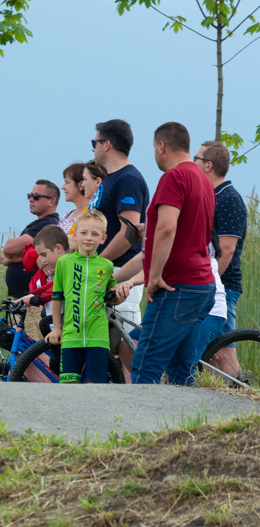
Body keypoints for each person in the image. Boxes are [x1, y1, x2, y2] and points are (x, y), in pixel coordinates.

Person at [131, 122, 216, 385]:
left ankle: (139, 426)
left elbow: (167, 228)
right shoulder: (203, 180)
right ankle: (188, 426)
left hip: (177, 286)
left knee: (146, 365)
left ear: (161, 145)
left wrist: (153, 276)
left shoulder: (174, 177)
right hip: (202, 284)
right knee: (181, 369)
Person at [45, 210, 118, 383]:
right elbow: (57, 297)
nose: (88, 238)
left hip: (98, 337)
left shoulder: (107, 266)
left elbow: (113, 294)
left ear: (103, 239)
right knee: (69, 386)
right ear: (75, 234)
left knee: (94, 388)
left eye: (95, 234)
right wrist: (56, 328)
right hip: (71, 336)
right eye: (83, 233)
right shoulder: (65, 262)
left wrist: (119, 294)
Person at [90, 119, 150, 326]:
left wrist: (96, 263)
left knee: (123, 346)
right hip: (105, 268)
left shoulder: (128, 179)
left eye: (94, 142)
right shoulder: (110, 179)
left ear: (107, 144)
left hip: (119, 271)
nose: (92, 148)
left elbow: (129, 233)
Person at [195, 140, 247, 336]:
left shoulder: (229, 199)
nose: (193, 164)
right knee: (219, 353)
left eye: (196, 159)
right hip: (212, 284)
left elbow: (226, 250)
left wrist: (209, 286)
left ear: (208, 165)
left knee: (223, 350)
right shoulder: (211, 195)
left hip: (223, 286)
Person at [0, 180, 60, 299]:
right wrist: (18, 255)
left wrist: (16, 255)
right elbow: (3, 256)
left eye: (36, 196)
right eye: (30, 196)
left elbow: (9, 248)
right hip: (22, 298)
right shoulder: (36, 224)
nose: (31, 200)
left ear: (51, 201)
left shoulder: (47, 225)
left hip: (32, 300)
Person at [18, 225, 70, 338]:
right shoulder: (61, 267)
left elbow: (53, 288)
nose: (41, 260)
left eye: (44, 255)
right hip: (60, 317)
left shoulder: (70, 266)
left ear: (58, 249)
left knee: (44, 324)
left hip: (73, 322)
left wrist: (35, 297)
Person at [58, 162, 90, 251]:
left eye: (67, 182)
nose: (63, 187)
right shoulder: (67, 215)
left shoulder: (92, 215)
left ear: (80, 185)